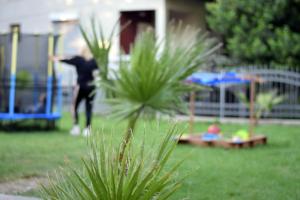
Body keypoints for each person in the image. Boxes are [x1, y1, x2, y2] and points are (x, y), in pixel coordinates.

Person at [50, 47, 99, 136]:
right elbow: (96, 73)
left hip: (80, 87)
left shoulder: (78, 59)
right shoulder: (94, 62)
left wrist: (54, 59)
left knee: (74, 107)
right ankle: (87, 129)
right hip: (91, 87)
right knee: (89, 108)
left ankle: (76, 127)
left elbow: (66, 60)